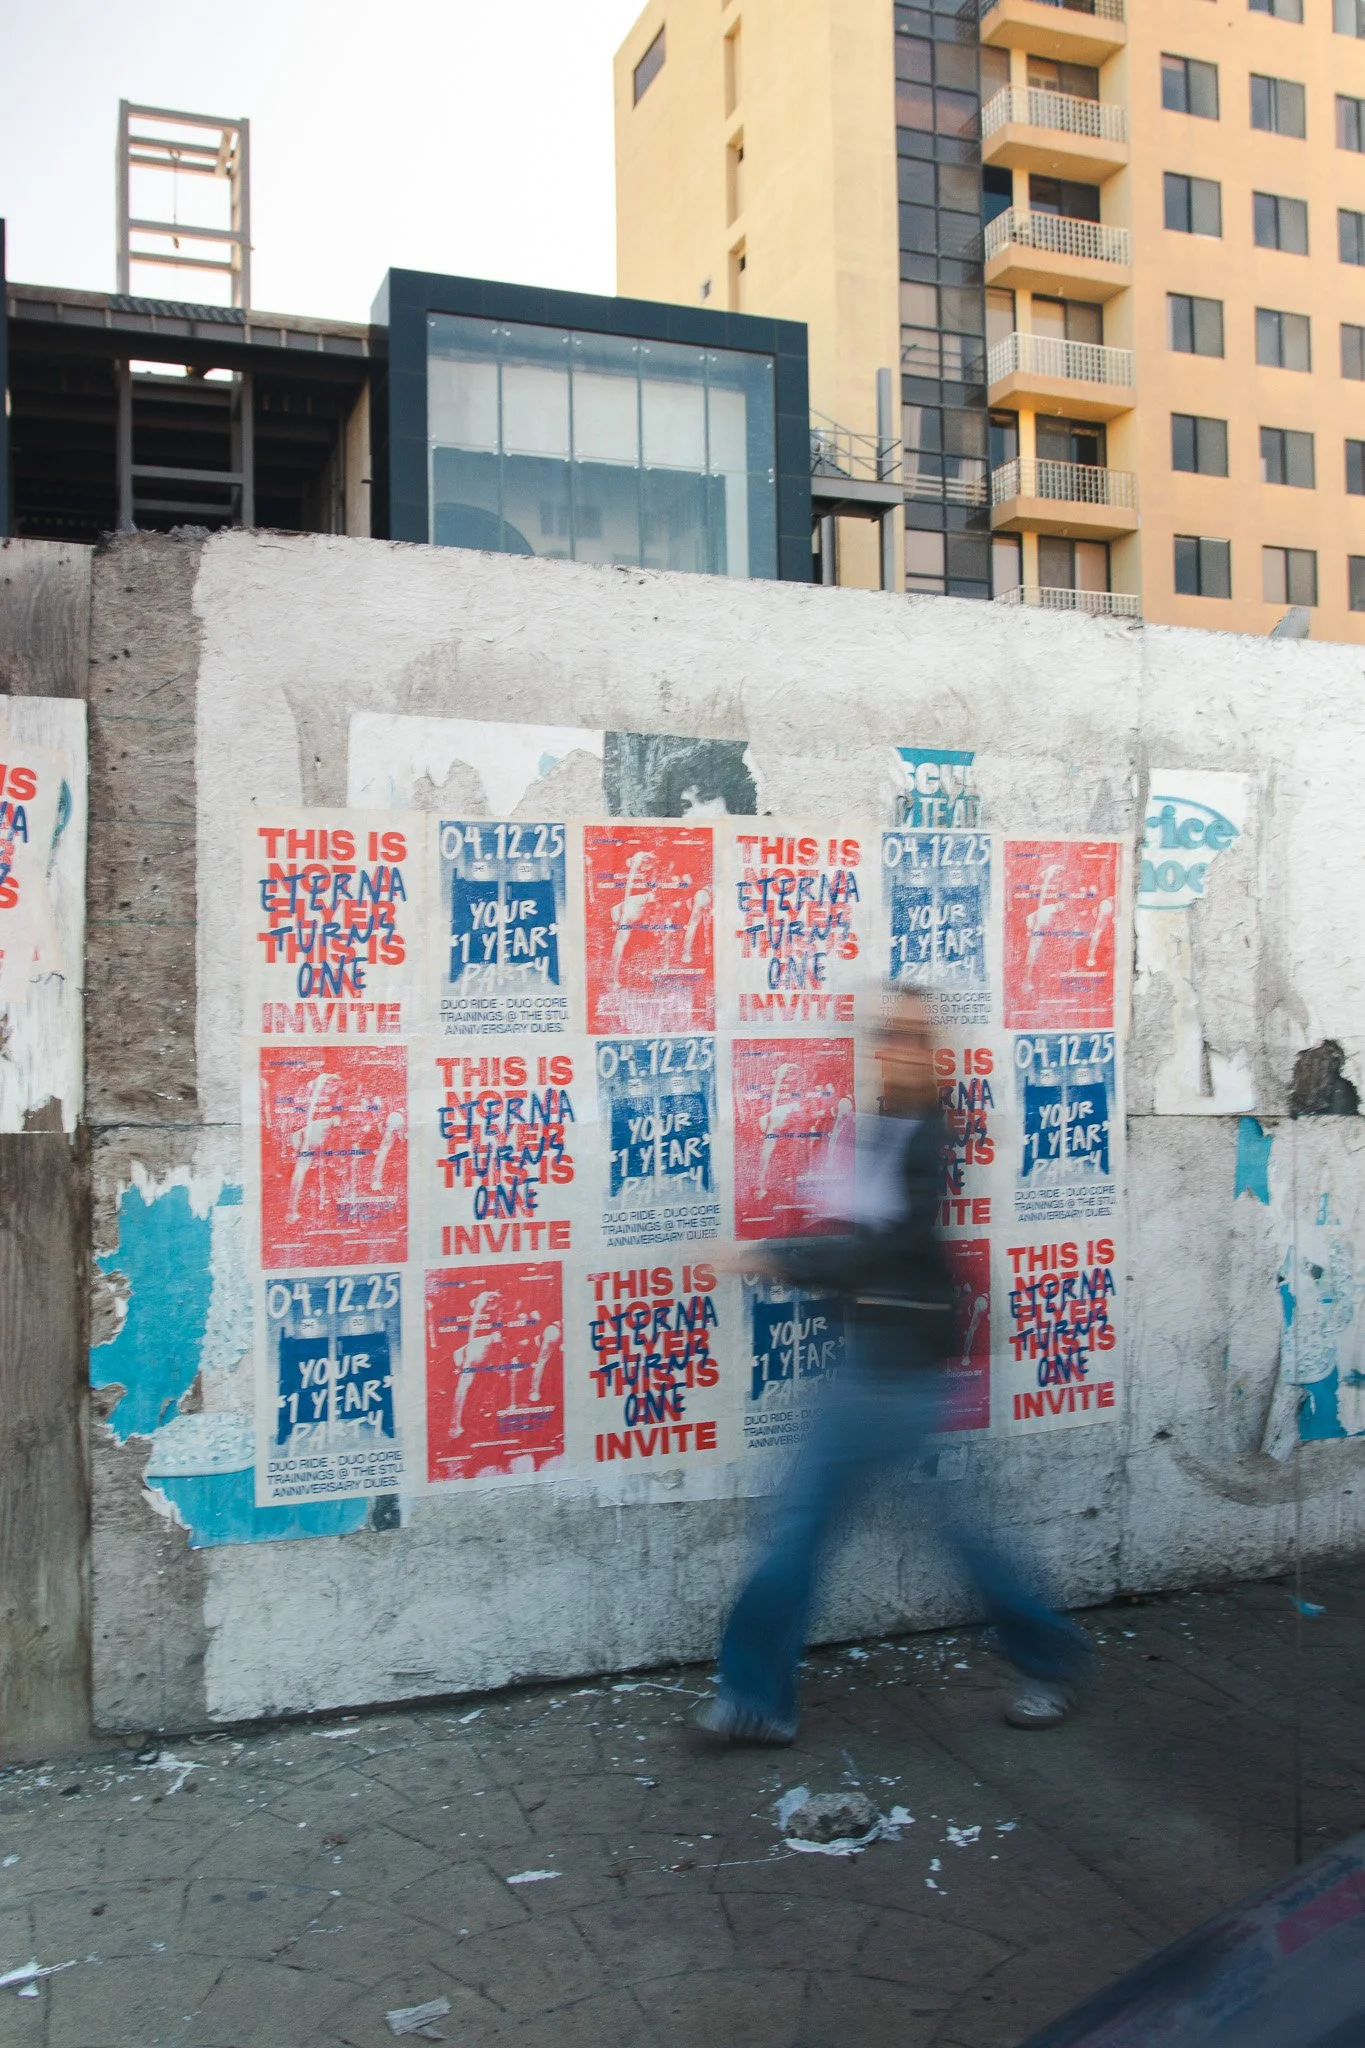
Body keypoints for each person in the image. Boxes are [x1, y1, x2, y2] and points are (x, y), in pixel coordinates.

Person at [696, 986, 1090, 1745]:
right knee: (798, 1531)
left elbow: (882, 1251)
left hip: (909, 1369)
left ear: (931, 1049)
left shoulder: (927, 1135)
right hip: (865, 1360)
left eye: (913, 1036)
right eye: (887, 1034)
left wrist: (766, 1258)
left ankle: (1049, 1659)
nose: (897, 1048)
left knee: (957, 1538)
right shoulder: (872, 1129)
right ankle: (754, 1698)